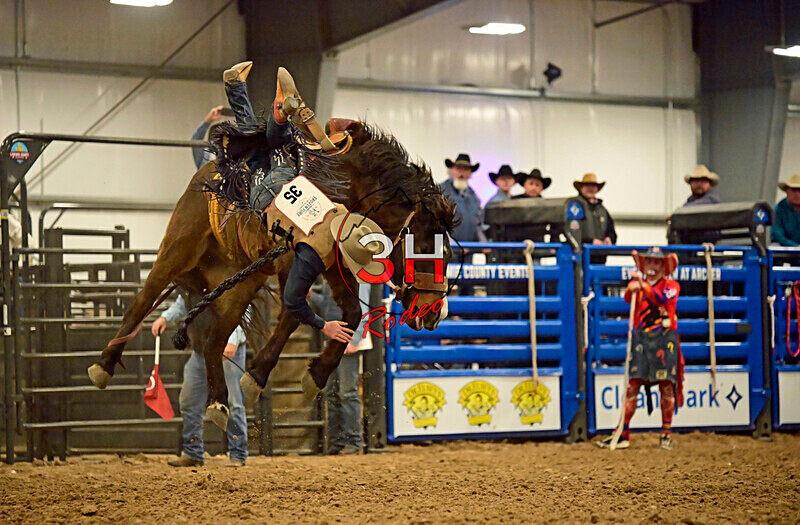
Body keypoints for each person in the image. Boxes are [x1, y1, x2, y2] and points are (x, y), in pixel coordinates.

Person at [596, 247, 684, 451]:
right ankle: (623, 432)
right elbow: (628, 298)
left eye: (657, 263)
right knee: (632, 384)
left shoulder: (672, 286)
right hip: (641, 340)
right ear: (643, 266)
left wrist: (642, 287)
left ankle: (666, 432)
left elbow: (663, 300)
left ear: (664, 266)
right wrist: (634, 288)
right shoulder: (636, 287)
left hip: (664, 339)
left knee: (666, 385)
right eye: (649, 263)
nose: (653, 267)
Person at [154, 295, 249, 467]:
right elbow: (183, 302)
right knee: (189, 401)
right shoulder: (194, 284)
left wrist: (233, 339)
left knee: (233, 402)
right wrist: (165, 317)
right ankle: (193, 452)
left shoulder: (227, 276)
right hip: (203, 350)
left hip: (223, 350)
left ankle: (237, 454)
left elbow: (242, 306)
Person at [311, 282, 371, 455]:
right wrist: (312, 297)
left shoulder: (358, 275)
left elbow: (364, 309)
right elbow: (326, 304)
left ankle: (352, 441)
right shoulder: (337, 274)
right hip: (336, 336)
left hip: (345, 336)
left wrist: (354, 339)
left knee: (345, 390)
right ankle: (339, 441)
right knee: (334, 391)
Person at [438, 153, 487, 242]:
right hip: (448, 250)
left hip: (469, 250)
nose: (462, 172)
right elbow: (437, 222)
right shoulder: (440, 191)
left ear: (470, 173)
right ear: (451, 170)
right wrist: (450, 243)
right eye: (458, 168)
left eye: (465, 169)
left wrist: (483, 242)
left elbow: (478, 223)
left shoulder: (473, 196)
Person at [574, 173, 617, 263]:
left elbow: (611, 231)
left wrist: (609, 239)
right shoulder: (575, 208)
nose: (591, 188)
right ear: (581, 188)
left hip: (600, 258)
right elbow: (572, 232)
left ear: (597, 189)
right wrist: (590, 241)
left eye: (593, 186)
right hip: (581, 257)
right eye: (587, 186)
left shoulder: (602, 210)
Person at [772, 174, 800, 247]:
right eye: (794, 190)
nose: (797, 194)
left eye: (799, 191)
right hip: (783, 249)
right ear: (787, 191)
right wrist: (795, 246)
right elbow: (778, 235)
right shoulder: (778, 209)